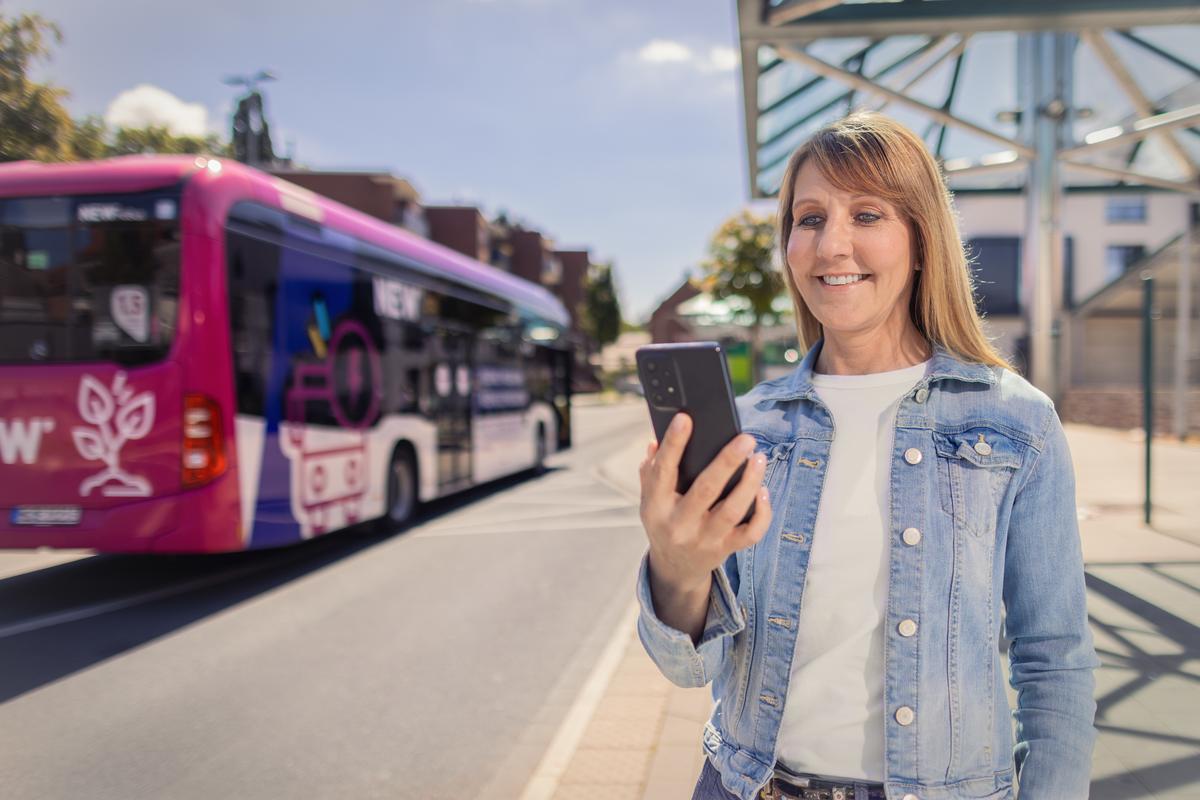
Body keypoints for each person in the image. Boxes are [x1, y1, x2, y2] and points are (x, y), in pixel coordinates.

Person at [635, 111, 1098, 800]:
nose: (832, 246)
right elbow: (688, 668)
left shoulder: (1015, 421)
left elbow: (1054, 660)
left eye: (869, 215)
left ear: (920, 242)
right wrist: (677, 568)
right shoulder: (751, 429)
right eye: (810, 217)